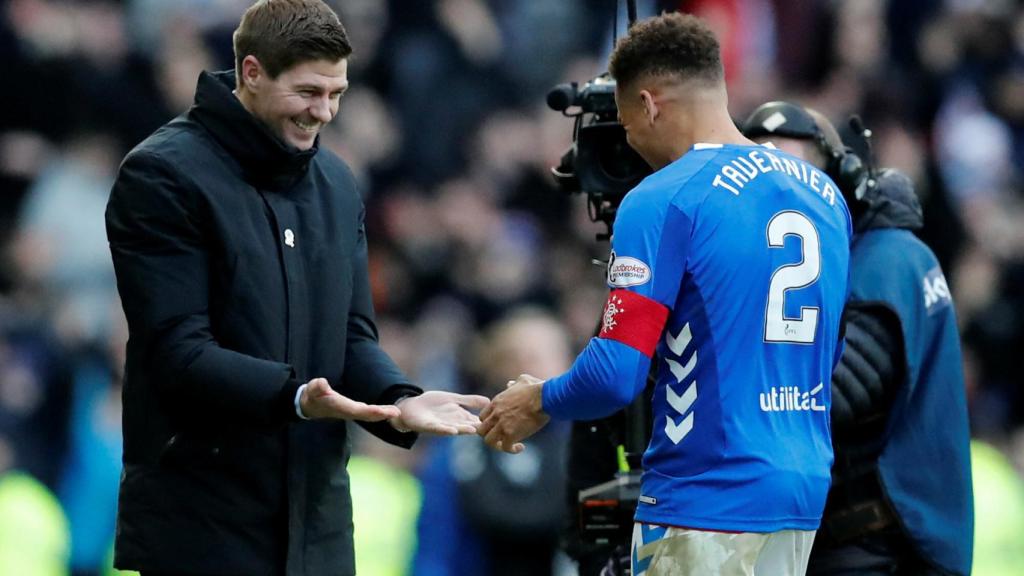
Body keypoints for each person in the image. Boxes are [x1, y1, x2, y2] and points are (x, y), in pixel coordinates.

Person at [104, 1, 488, 574]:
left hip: (320, 528)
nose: (325, 112)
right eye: (309, 92)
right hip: (201, 529)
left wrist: (399, 401)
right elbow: (176, 351)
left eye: (337, 94)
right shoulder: (163, 175)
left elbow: (353, 338)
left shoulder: (335, 182)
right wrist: (294, 397)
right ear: (252, 73)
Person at [479, 13, 852, 576]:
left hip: (707, 497)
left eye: (628, 123)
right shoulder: (823, 194)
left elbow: (614, 373)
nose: (630, 142)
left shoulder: (664, 198)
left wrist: (539, 400)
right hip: (800, 494)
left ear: (649, 105)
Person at [742, 101, 974, 576]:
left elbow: (843, 393)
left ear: (841, 185)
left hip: (871, 545)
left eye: (797, 177)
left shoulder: (887, 258)